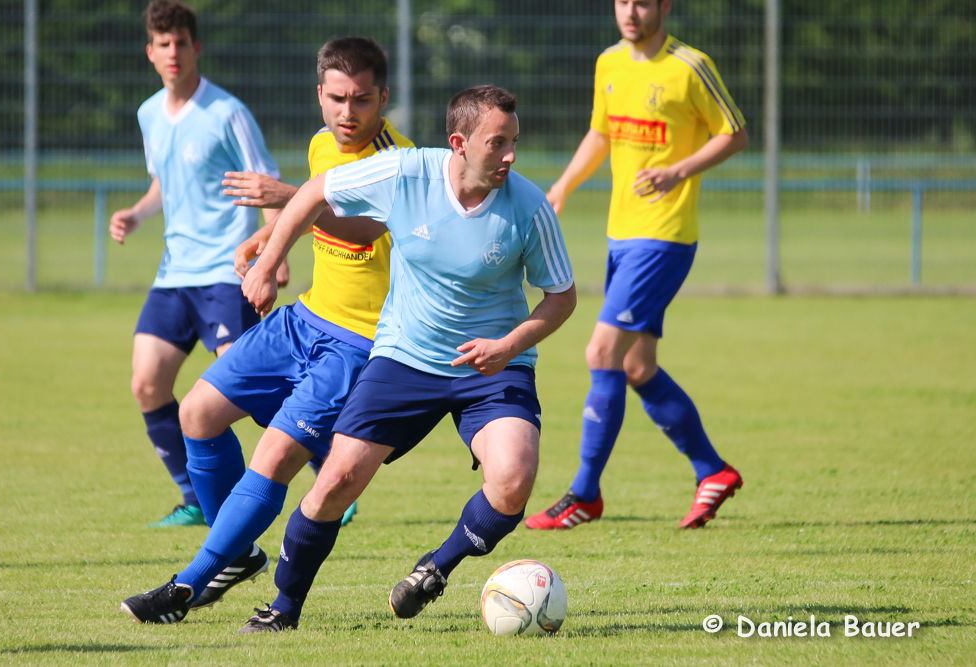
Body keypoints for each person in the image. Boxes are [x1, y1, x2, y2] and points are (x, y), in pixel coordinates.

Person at [121, 85, 577, 633]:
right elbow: (317, 191)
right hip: (404, 356)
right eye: (496, 143)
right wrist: (270, 258)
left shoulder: (528, 207)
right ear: (458, 143)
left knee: (513, 480)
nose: (509, 156)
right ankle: (282, 609)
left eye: (513, 142)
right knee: (334, 480)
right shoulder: (407, 172)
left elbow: (562, 297)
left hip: (492, 367)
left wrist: (509, 346)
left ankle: (435, 569)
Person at [120, 37, 412, 620]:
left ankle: (187, 586)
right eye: (336, 99)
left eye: (360, 100)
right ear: (320, 96)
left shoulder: (397, 160)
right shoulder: (321, 144)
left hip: (358, 344)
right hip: (303, 320)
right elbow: (311, 217)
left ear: (384, 97)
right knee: (196, 414)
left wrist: (290, 199)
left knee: (273, 458)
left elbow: (363, 230)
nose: (347, 114)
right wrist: (267, 244)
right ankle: (239, 553)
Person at [524, 0, 748, 531]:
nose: (630, 11)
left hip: (664, 235)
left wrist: (679, 171)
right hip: (621, 234)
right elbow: (601, 134)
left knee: (601, 350)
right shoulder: (609, 63)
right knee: (635, 366)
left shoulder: (690, 66)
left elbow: (735, 132)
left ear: (664, 6)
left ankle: (584, 494)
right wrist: (561, 188)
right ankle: (711, 471)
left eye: (643, 1)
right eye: (623, 1)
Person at [109, 0, 281, 528]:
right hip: (174, 274)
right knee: (147, 384)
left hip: (224, 272)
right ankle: (195, 498)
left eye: (181, 42)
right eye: (163, 44)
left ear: (196, 47)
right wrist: (138, 213)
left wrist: (273, 252)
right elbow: (164, 180)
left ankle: (329, 467)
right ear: (150, 53)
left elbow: (267, 180)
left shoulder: (227, 111)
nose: (173, 52)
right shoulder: (147, 114)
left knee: (244, 387)